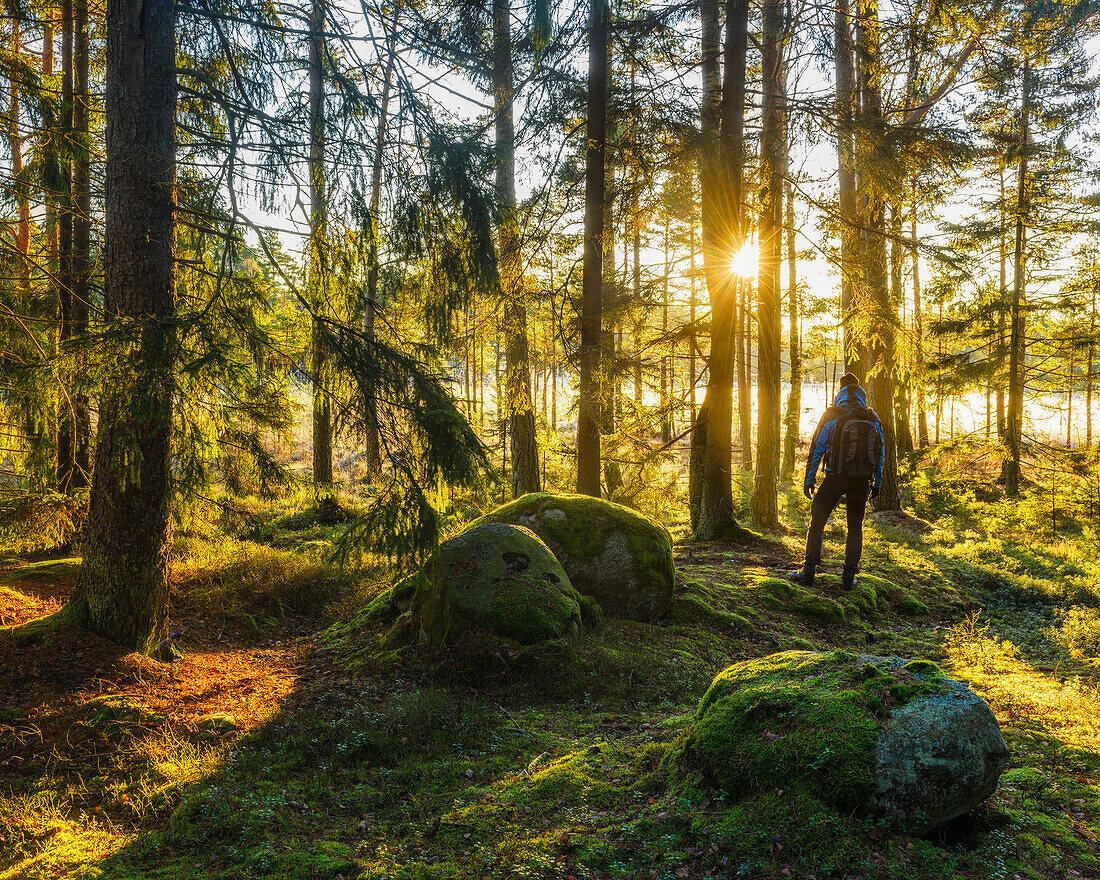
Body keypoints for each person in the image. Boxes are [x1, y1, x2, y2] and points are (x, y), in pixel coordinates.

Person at [787, 372, 884, 590]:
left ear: (840, 390)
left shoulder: (832, 414)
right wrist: (877, 482)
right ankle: (849, 578)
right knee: (855, 528)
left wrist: (808, 480)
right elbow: (881, 451)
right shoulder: (872, 417)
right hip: (862, 480)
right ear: (860, 391)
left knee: (817, 521)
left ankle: (809, 571)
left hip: (835, 477)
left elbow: (817, 449)